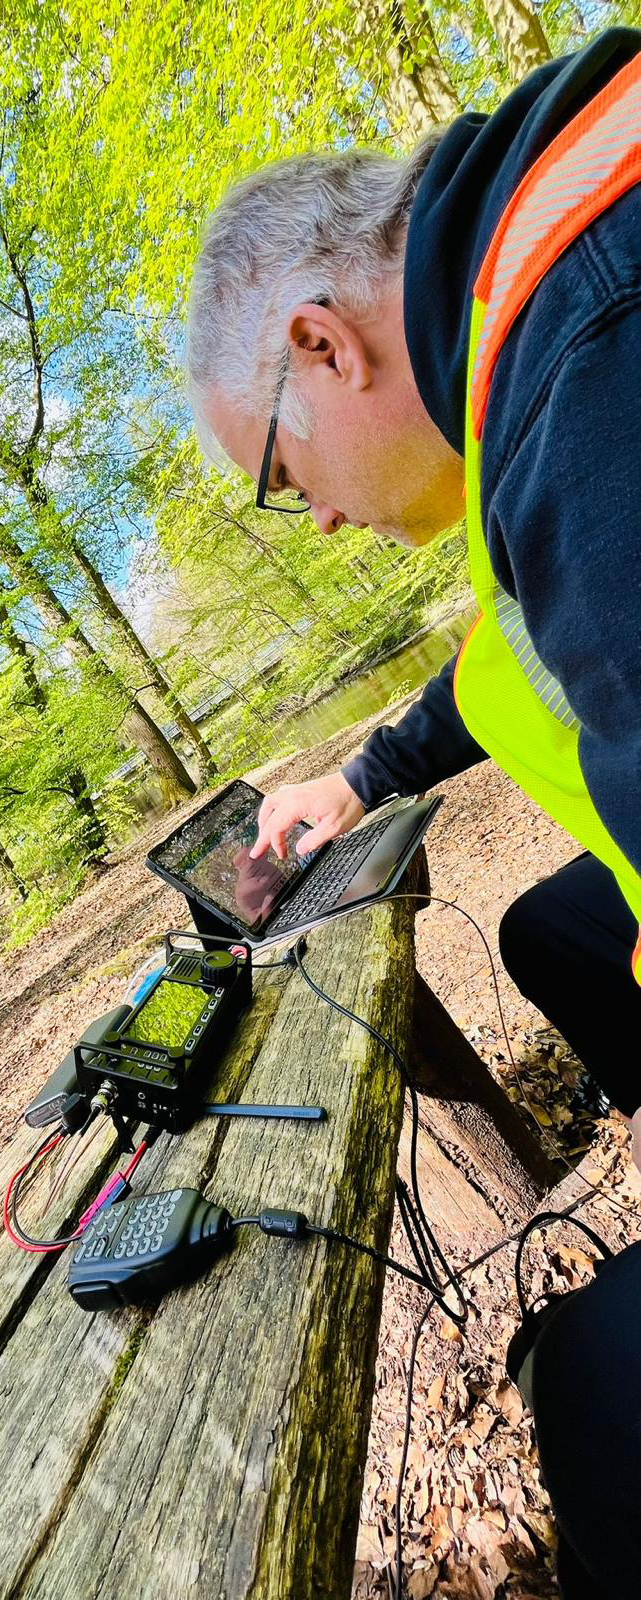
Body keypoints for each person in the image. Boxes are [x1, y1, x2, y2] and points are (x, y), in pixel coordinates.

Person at [184, 28, 641, 1142]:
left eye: (285, 479)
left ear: (322, 345)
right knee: (551, 932)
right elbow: (516, 652)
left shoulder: (569, 380)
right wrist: (362, 778)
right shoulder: (535, 247)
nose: (323, 518)